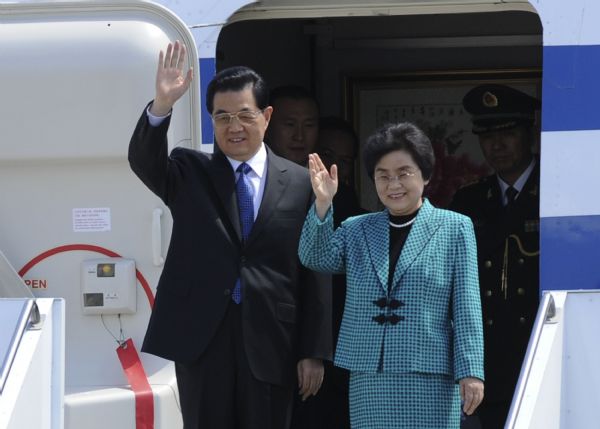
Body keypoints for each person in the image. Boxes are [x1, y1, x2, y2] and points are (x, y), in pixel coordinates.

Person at [128, 41, 331, 429]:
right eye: (222, 117)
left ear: (266, 116)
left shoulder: (303, 183)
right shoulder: (189, 172)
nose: (234, 127)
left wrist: (314, 350)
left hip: (273, 340)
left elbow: (315, 268)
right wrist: (161, 106)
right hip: (202, 339)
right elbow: (143, 161)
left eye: (244, 115)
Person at [298, 122, 485, 428]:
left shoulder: (454, 228)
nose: (393, 184)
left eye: (403, 173)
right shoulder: (356, 228)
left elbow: (467, 307)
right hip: (369, 374)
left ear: (425, 175)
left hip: (430, 373)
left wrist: (471, 370)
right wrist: (322, 203)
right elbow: (314, 257)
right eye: (382, 176)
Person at [450, 84, 541, 429]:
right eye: (487, 136)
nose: (497, 145)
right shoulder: (469, 200)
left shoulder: (556, 195)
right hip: (484, 361)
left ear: (529, 133)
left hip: (536, 350)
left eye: (508, 133)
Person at [292, 117, 365, 429]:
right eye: (329, 155)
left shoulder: (355, 208)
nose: (336, 166)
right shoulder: (294, 192)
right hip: (305, 345)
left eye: (346, 161)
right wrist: (312, 349)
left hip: (347, 346)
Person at [264, 85, 319, 166]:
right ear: (267, 125)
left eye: (309, 125)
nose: (299, 137)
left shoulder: (327, 177)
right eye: (290, 124)